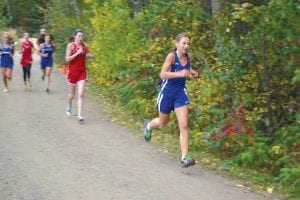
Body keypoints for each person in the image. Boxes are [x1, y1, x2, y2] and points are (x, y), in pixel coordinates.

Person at [144, 33, 199, 168]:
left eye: (188, 43)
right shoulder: (171, 56)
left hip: (180, 93)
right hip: (167, 93)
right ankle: (149, 126)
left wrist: (192, 72)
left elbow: (186, 68)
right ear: (177, 44)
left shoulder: (187, 57)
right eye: (184, 43)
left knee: (184, 125)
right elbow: (162, 74)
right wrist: (179, 74)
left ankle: (185, 157)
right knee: (162, 124)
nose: (186, 46)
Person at [65, 30, 92, 123]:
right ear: (75, 36)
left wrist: (89, 55)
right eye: (79, 36)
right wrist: (77, 53)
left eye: (82, 36)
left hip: (82, 72)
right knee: (72, 95)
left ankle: (80, 115)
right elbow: (67, 59)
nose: (81, 37)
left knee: (81, 94)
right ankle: (69, 105)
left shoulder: (85, 45)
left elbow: (87, 54)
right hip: (72, 72)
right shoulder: (71, 45)